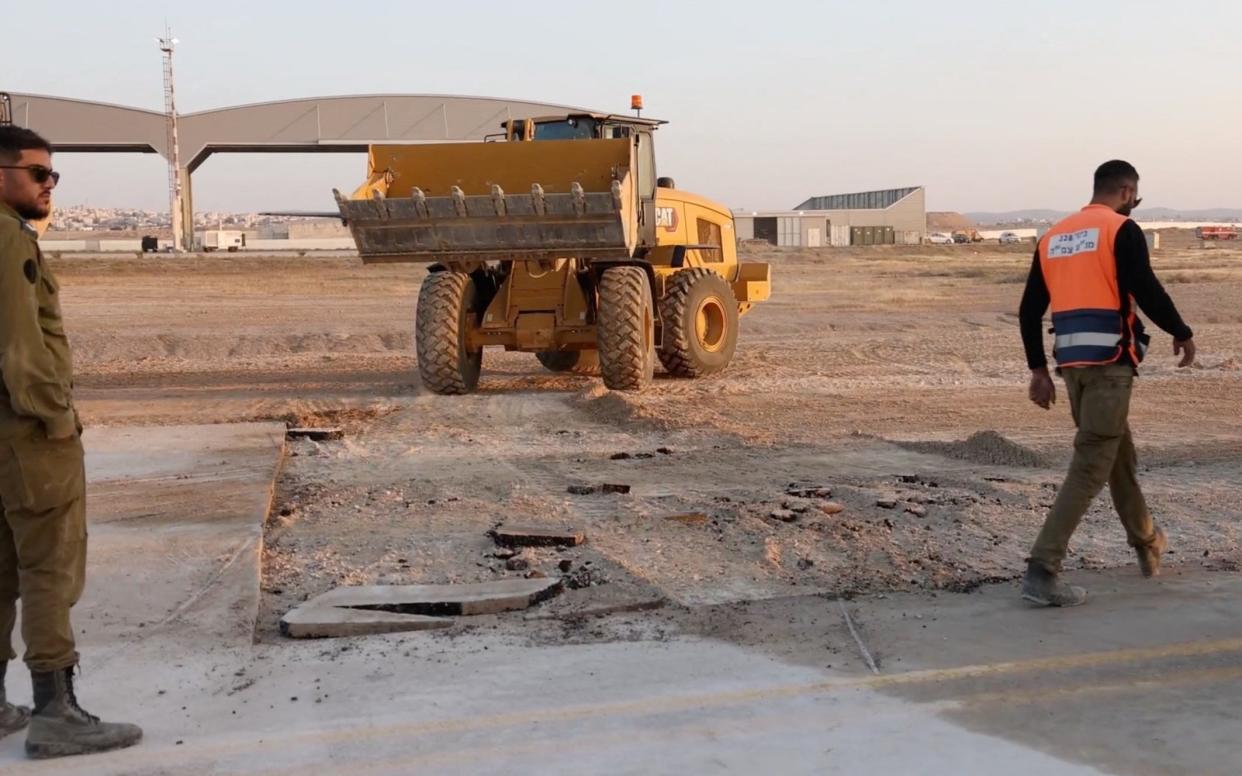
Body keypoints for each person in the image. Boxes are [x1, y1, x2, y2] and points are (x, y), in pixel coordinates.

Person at [0, 125, 142, 757]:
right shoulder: (8, 240)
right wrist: (54, 417)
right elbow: (20, 345)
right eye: (38, 173)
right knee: (51, 566)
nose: (49, 185)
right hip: (26, 433)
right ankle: (55, 710)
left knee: (1, 569)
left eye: (53, 174)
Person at [1017, 160, 1196, 607]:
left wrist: (1039, 369)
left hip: (1073, 367)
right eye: (1134, 198)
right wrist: (1181, 331)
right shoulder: (1120, 230)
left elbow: (1028, 309)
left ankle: (1147, 541)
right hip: (1110, 364)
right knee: (1092, 462)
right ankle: (1043, 567)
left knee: (1116, 454)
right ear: (1126, 190)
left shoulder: (1054, 236)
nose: (1133, 205)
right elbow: (1145, 286)